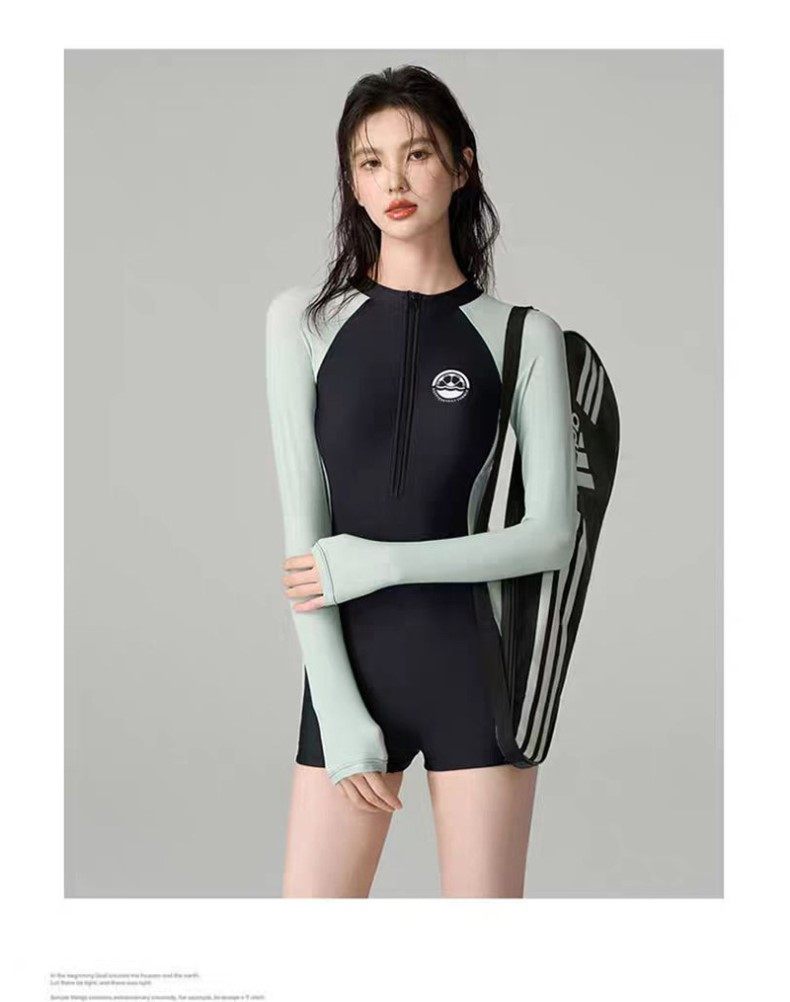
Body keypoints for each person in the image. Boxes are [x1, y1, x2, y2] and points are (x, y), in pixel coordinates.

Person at [265, 65, 577, 897]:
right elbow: (303, 544)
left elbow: (551, 536)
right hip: (349, 672)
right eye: (369, 162)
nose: (394, 182)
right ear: (351, 181)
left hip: (478, 675)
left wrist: (385, 562)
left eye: (417, 155)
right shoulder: (305, 323)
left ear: (462, 165)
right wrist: (337, 710)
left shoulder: (523, 336)